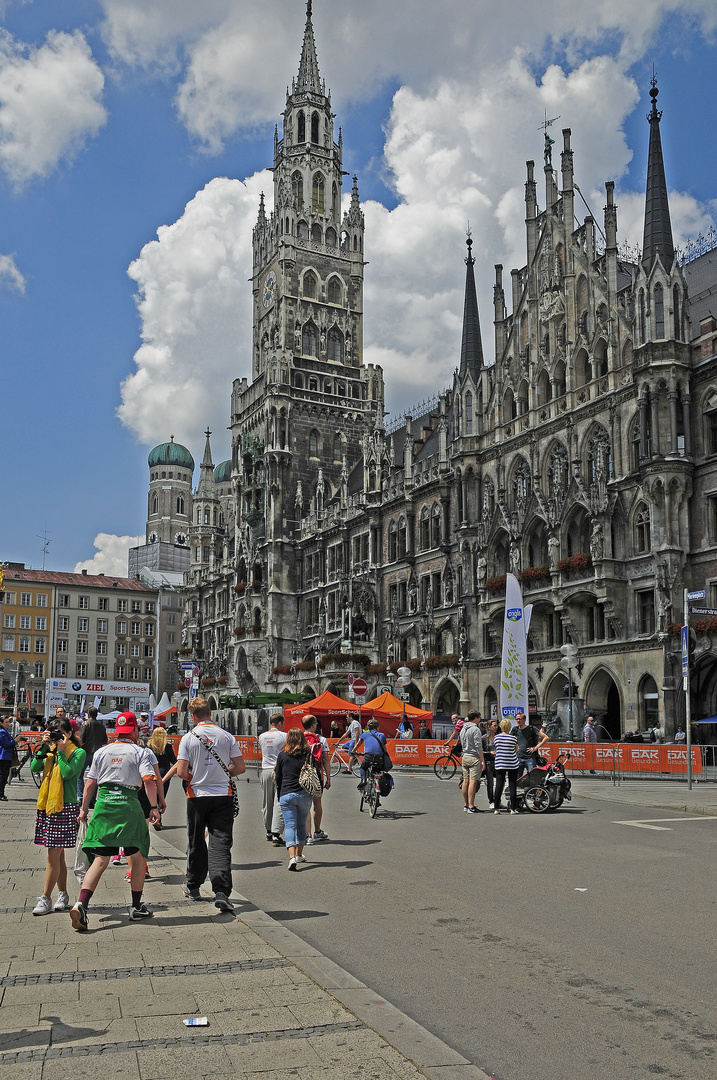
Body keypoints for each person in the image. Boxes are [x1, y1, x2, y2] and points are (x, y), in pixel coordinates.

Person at [70, 712, 159, 930]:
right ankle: (136, 907)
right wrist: (154, 806)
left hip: (104, 803)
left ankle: (81, 903)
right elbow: (149, 781)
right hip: (129, 804)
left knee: (100, 858)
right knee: (137, 856)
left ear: (116, 732)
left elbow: (90, 783)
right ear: (135, 731)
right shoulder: (141, 752)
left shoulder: (102, 752)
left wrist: (83, 809)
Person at [177, 696, 245, 910]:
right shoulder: (226, 737)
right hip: (222, 794)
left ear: (193, 716)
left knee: (196, 840)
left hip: (197, 795)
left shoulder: (188, 738)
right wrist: (224, 774)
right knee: (221, 843)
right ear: (210, 713)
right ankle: (221, 891)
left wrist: (197, 777)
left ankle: (194, 886)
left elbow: (181, 771)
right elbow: (240, 767)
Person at [30, 717, 86, 915]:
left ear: (69, 734)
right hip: (48, 806)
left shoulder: (78, 752)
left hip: (65, 806)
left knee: (52, 854)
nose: (56, 735)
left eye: (59, 732)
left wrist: (61, 752)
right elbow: (34, 768)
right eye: (52, 731)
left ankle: (45, 897)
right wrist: (45, 748)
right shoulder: (50, 750)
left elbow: (68, 773)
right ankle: (62, 894)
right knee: (58, 854)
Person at [274, 727, 313, 870]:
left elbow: (278, 777)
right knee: (301, 825)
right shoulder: (308, 754)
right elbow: (315, 772)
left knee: (290, 826)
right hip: (304, 793)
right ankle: (299, 854)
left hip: (286, 793)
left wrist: (280, 793)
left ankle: (291, 858)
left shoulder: (282, 755)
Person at [302, 715, 331, 842]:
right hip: (317, 774)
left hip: (302, 774)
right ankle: (317, 831)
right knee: (317, 803)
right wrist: (328, 778)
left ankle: (307, 835)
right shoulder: (321, 739)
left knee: (305, 805)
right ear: (314, 725)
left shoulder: (299, 737)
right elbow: (326, 760)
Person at [258, 714, 286, 844]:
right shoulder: (283, 736)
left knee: (267, 802)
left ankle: (268, 830)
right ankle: (276, 832)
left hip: (265, 770)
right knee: (278, 802)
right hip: (279, 770)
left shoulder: (262, 736)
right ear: (279, 724)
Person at [147, 727, 177, 829]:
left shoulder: (149, 746)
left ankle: (152, 814)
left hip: (152, 773)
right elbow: (174, 761)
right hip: (165, 774)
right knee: (162, 797)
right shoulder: (167, 747)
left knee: (151, 795)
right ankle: (159, 819)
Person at [77, 706, 108, 803]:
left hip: (86, 752)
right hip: (97, 754)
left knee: (79, 775)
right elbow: (105, 741)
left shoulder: (85, 724)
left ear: (88, 714)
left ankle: (81, 797)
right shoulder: (101, 726)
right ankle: (92, 799)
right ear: (97, 715)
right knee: (95, 778)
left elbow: (81, 739)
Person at [492, 718, 520, 815]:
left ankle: (496, 808)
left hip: (500, 763)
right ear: (509, 727)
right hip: (512, 763)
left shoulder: (497, 737)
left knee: (499, 785)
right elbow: (516, 749)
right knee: (512, 785)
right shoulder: (513, 738)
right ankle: (513, 809)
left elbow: (495, 747)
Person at [459, 711, 485, 813]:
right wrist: (482, 760)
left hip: (465, 756)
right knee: (473, 782)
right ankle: (471, 806)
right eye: (479, 718)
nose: (479, 720)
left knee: (465, 781)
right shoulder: (475, 729)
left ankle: (466, 805)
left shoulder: (463, 729)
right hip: (474, 756)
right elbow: (478, 746)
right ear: (475, 718)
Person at [355, 718, 390, 785]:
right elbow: (385, 749)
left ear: (368, 727)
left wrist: (353, 751)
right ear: (377, 727)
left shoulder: (364, 734)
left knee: (363, 768)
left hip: (368, 757)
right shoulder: (382, 735)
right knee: (378, 769)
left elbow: (357, 745)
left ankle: (363, 780)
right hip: (379, 758)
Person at [512, 712, 548, 777]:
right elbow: (510, 739)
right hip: (518, 758)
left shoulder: (531, 728)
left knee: (533, 778)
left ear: (524, 720)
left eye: (520, 719)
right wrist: (515, 745)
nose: (518, 721)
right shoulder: (515, 729)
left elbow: (546, 737)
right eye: (517, 719)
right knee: (516, 778)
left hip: (530, 758)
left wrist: (536, 747)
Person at [482, 717, 499, 809]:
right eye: (494, 726)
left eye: (497, 726)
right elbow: (480, 751)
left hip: (498, 762)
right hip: (489, 762)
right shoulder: (484, 738)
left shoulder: (499, 736)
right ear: (489, 727)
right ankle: (491, 800)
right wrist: (489, 753)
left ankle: (498, 800)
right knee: (490, 782)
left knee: (500, 782)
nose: (496, 727)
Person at [0, 714, 17, 801]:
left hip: (6, 756)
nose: (8, 724)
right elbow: (6, 744)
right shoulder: (2, 732)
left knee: (4, 775)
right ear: (1, 723)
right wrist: (15, 740)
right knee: (3, 776)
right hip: (3, 756)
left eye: (8, 722)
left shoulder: (5, 731)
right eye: (6, 722)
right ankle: (1, 794)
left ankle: (1, 793)